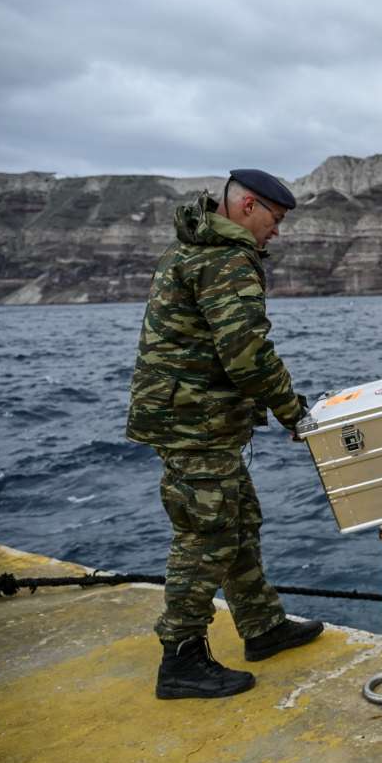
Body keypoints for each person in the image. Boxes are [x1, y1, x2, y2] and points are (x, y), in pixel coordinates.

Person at [126, 168, 323, 700]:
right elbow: (247, 356)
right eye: (275, 220)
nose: (276, 232)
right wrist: (294, 413)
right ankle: (181, 658)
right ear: (248, 207)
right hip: (195, 424)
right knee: (206, 534)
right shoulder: (226, 259)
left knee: (238, 522)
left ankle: (262, 626)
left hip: (193, 417)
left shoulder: (193, 247)